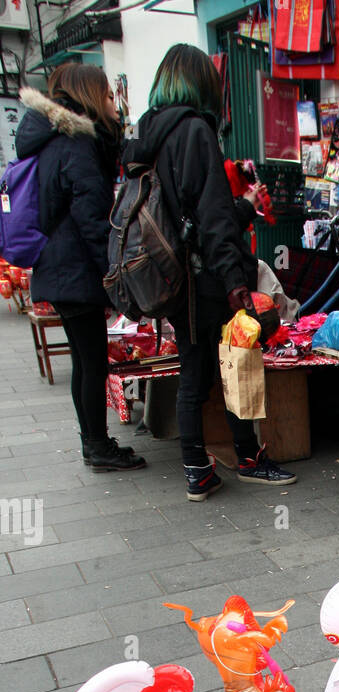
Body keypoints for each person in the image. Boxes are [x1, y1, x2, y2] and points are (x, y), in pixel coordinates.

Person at [123, 44, 294, 500]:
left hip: (173, 276)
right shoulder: (194, 131)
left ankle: (198, 468)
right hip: (206, 279)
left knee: (195, 372)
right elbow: (213, 218)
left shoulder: (148, 135)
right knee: (235, 362)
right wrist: (237, 282)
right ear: (202, 85)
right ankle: (247, 459)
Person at [16, 66, 146, 472]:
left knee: (84, 359)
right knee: (92, 362)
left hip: (58, 268)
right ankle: (97, 445)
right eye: (108, 95)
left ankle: (95, 442)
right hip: (74, 271)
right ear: (90, 96)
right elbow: (93, 222)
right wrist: (114, 277)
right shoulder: (77, 144)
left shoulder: (52, 141)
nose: (113, 103)